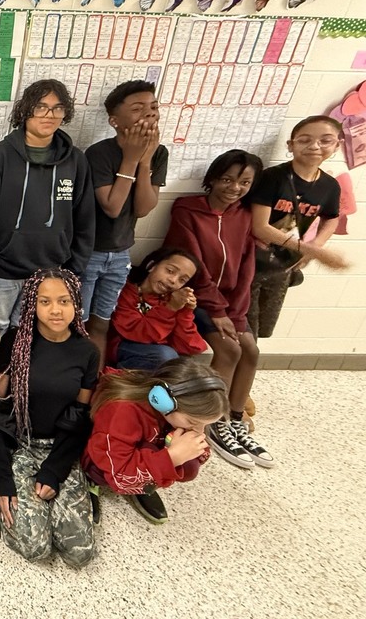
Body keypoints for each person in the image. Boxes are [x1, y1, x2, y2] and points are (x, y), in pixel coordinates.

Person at [0, 269, 98, 567]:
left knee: (79, 553)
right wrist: (2, 478)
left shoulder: (88, 352)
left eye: (64, 301)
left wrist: (54, 470)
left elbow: (80, 417)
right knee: (35, 547)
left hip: (59, 447)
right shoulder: (15, 343)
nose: (56, 310)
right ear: (32, 304)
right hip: (18, 444)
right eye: (45, 302)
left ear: (76, 304)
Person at [164, 149, 274, 470]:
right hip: (196, 296)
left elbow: (245, 272)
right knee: (228, 350)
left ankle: (234, 417)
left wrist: (236, 315)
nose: (234, 187)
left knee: (250, 350)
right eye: (227, 179)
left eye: (244, 182)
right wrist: (218, 312)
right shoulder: (187, 210)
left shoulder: (245, 217)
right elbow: (194, 268)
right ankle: (210, 418)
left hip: (230, 305)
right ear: (212, 178)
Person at [0, 79, 95, 334]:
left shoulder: (75, 161)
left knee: (30, 331)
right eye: (41, 107)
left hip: (51, 273)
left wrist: (74, 270)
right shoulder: (0, 157)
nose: (49, 115)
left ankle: (18, 375)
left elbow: (85, 219)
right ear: (26, 110)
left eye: (57, 108)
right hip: (4, 271)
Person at [82, 80, 168, 361]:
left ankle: (93, 386)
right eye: (138, 108)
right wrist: (131, 159)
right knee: (77, 322)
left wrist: (145, 162)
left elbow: (143, 208)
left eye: (153, 107)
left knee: (101, 323)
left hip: (120, 254)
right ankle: (73, 386)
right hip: (89, 252)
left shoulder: (159, 153)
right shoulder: (100, 153)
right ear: (115, 121)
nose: (150, 114)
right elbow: (112, 206)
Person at [82, 358, 227, 524]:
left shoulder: (176, 412)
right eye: (193, 423)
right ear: (162, 400)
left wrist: (185, 455)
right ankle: (91, 480)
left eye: (206, 425)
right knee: (104, 472)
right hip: (103, 459)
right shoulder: (122, 411)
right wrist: (171, 458)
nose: (199, 431)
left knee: (190, 465)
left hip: (138, 454)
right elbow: (119, 475)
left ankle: (144, 483)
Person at [247, 116, 348, 340]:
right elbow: (260, 227)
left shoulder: (330, 186)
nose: (314, 146)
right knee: (246, 331)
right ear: (291, 145)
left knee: (264, 328)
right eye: (304, 140)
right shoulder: (273, 177)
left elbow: (331, 218)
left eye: (325, 140)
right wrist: (313, 251)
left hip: (284, 266)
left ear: (337, 145)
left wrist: (316, 244)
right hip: (250, 262)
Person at [105, 247, 207, 369]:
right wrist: (170, 308)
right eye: (170, 271)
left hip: (158, 354)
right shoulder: (125, 291)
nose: (173, 281)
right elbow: (137, 333)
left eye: (182, 280)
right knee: (165, 356)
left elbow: (188, 346)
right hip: (124, 347)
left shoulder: (172, 300)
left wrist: (185, 311)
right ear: (151, 266)